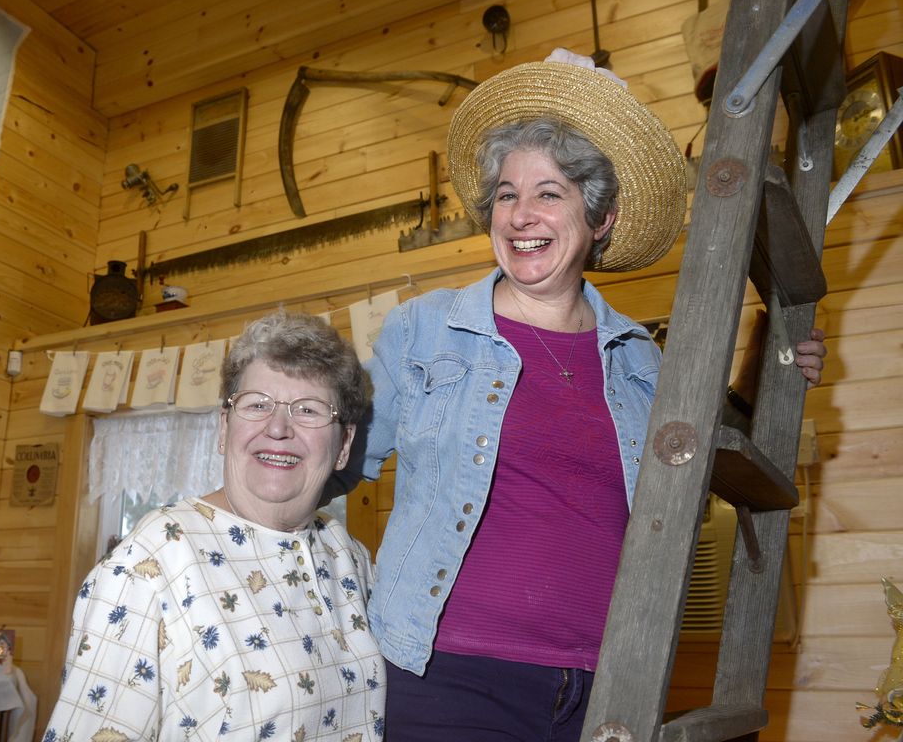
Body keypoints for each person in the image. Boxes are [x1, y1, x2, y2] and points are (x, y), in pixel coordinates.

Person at [338, 50, 827, 740]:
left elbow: (722, 442)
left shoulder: (640, 360)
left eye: (550, 192)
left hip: (609, 685)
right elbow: (336, 456)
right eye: (507, 194)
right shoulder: (425, 329)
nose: (520, 214)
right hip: (448, 677)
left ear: (599, 218)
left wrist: (780, 355)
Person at [43, 311, 385, 741]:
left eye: (309, 410)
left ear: (344, 445)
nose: (278, 428)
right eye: (257, 404)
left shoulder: (347, 556)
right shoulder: (151, 562)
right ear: (224, 426)